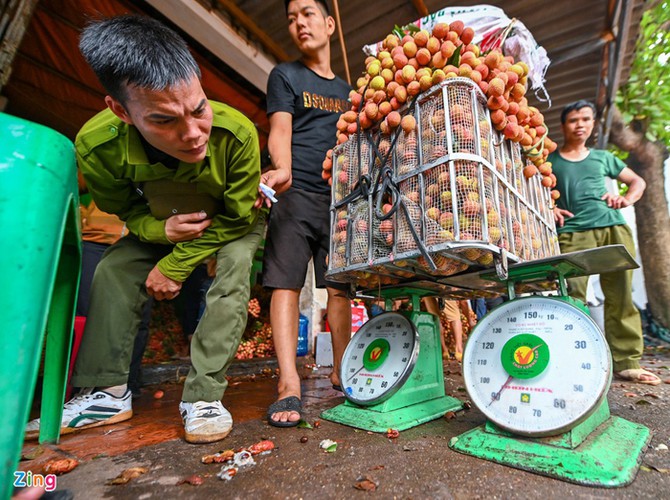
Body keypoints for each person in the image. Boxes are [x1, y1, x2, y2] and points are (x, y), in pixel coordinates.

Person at [25, 14, 266, 443]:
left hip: (231, 223)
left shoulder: (238, 133)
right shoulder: (96, 146)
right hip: (163, 223)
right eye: (163, 121)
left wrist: (176, 264)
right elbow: (127, 214)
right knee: (115, 267)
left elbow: (240, 216)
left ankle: (205, 396)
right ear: (120, 110)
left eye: (199, 109)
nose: (193, 134)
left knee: (234, 268)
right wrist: (161, 233)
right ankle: (107, 393)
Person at [256, 0, 351, 427]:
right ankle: (289, 385)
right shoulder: (285, 75)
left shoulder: (351, 92)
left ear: (330, 23)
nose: (299, 24)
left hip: (341, 201)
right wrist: (283, 170)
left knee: (340, 288)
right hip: (295, 196)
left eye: (307, 14)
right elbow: (279, 131)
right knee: (285, 284)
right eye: (292, 19)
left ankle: (342, 370)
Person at [551, 100, 660, 386]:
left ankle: (626, 362)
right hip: (573, 232)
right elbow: (534, 190)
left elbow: (637, 182)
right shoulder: (551, 161)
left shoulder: (604, 157)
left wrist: (626, 198)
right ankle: (568, 357)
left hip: (612, 226)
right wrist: (547, 208)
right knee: (571, 296)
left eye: (586, 119)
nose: (580, 125)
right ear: (563, 125)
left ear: (593, 123)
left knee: (621, 292)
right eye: (574, 120)